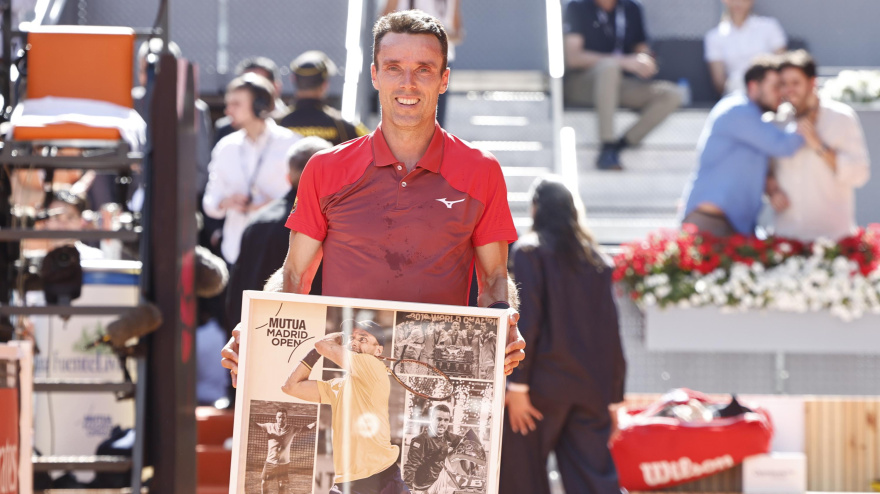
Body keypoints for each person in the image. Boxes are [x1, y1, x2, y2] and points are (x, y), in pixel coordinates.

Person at [220, 9, 526, 393]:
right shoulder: (326, 169)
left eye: (424, 69)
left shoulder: (480, 171)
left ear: (444, 79)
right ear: (374, 75)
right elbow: (294, 276)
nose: (408, 83)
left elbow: (495, 278)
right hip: (346, 383)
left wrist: (505, 323)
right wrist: (256, 327)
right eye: (394, 68)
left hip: (434, 384)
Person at [500, 177, 626, 494]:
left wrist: (517, 385)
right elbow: (612, 333)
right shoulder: (598, 260)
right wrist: (613, 399)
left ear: (535, 209)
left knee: (521, 477)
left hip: (540, 389)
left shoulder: (530, 251)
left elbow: (529, 319)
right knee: (594, 482)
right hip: (591, 389)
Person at [680, 56, 805, 237]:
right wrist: (808, 117)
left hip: (735, 227)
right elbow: (783, 145)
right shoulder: (737, 110)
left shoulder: (755, 118)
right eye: (776, 86)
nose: (782, 93)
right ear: (754, 86)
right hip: (710, 223)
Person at [281, 320, 410, 493]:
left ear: (378, 351)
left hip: (383, 477)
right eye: (352, 337)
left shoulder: (373, 366)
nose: (354, 342)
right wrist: (316, 351)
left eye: (362, 339)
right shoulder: (337, 386)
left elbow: (323, 345)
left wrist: (340, 338)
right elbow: (290, 387)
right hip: (348, 482)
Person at [225, 137, 331, 333]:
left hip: (262, 333)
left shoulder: (257, 223)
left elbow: (237, 291)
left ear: (287, 177)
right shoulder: (339, 226)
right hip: (317, 334)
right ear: (332, 175)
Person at [563, 0, 682, 170]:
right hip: (582, 85)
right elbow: (574, 58)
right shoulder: (577, 6)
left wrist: (645, 61)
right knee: (609, 67)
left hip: (619, 84)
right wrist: (623, 61)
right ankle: (607, 142)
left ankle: (619, 146)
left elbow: (642, 49)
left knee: (671, 94)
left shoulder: (631, 8)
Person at [769, 50, 871, 241]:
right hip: (786, 238)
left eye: (795, 83)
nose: (788, 90)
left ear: (812, 82)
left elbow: (859, 175)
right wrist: (771, 190)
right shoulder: (774, 121)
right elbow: (765, 170)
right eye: (783, 84)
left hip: (833, 241)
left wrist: (819, 145)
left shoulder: (842, 118)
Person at [202, 73, 301, 265]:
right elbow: (209, 201)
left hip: (280, 251)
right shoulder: (226, 147)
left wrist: (272, 209)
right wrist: (225, 202)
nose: (227, 110)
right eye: (228, 103)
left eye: (236, 104)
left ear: (260, 105)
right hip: (235, 252)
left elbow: (306, 202)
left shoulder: (292, 145)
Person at [382, 0, 463, 127]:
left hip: (439, 61)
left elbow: (458, 33)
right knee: (400, 116)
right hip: (405, 59)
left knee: (434, 120)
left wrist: (438, 35)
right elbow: (384, 23)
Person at [279, 50, 370, 145]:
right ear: (325, 84)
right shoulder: (342, 126)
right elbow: (373, 145)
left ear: (293, 80)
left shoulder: (276, 123)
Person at [705, 0, 787, 96]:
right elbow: (719, 82)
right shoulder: (714, 36)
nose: (738, 3)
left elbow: (782, 65)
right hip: (735, 94)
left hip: (768, 92)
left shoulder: (770, 26)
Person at [214, 57, 288, 145]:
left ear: (276, 86)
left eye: (259, 85)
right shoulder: (226, 138)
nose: (252, 90)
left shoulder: (290, 125)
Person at [403, 404, 463, 492]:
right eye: (439, 419)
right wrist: (408, 489)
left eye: (446, 420)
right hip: (423, 485)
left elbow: (464, 440)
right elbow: (411, 466)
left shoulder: (447, 436)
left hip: (439, 479)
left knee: (463, 448)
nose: (442, 423)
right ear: (431, 419)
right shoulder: (420, 440)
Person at [254, 409, 316, 494]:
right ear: (276, 417)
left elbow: (307, 428)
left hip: (284, 463)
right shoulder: (269, 426)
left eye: (283, 417)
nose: (281, 419)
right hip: (270, 462)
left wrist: (317, 422)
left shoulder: (292, 428)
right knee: (264, 482)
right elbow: (256, 425)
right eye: (279, 417)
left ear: (286, 418)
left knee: (281, 485)